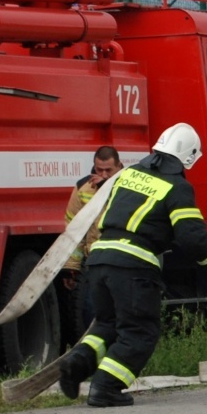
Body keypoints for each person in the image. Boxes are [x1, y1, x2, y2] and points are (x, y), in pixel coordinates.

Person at [50, 124, 207, 408]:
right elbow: (193, 239)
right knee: (140, 331)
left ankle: (77, 364)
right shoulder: (177, 186)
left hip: (100, 259)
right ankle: (105, 387)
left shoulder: (127, 174)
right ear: (189, 157)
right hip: (133, 267)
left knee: (109, 324)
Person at [59, 145, 122, 340]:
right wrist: (71, 268)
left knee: (124, 313)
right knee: (91, 311)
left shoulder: (129, 184)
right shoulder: (83, 188)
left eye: (108, 170)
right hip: (93, 261)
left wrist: (106, 187)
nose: (103, 174)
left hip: (122, 261)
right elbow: (73, 229)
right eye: (98, 169)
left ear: (119, 166)